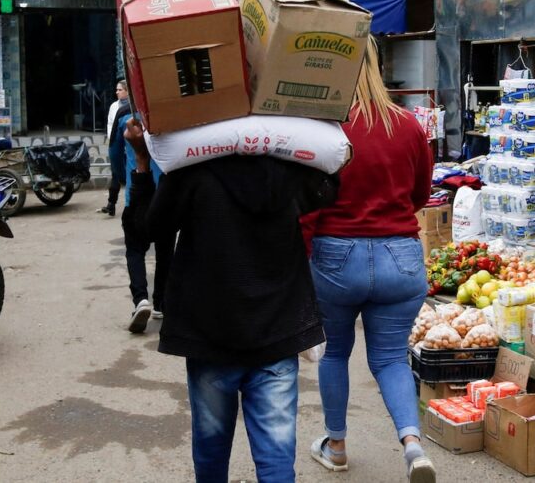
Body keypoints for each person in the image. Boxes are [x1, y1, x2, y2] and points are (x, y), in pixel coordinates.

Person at [144, 126, 339, 483]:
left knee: (211, 450)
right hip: (278, 332)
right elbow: (328, 186)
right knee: (277, 458)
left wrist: (143, 164)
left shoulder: (192, 168)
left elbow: (152, 225)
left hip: (209, 333)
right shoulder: (289, 164)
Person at [300, 45, 436, 483]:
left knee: (335, 352)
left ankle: (336, 446)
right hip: (401, 255)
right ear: (379, 68)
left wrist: (299, 261)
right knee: (393, 358)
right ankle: (413, 444)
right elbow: (420, 195)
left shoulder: (325, 127)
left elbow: (308, 207)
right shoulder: (408, 125)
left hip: (337, 256)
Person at [115, 105, 167, 332]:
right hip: (165, 195)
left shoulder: (126, 117)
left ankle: (140, 300)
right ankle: (161, 302)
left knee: (135, 250)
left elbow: (114, 153)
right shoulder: (168, 115)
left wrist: (121, 177)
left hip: (135, 194)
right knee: (166, 250)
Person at [102, 79, 129, 216]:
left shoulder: (133, 106)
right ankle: (111, 204)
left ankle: (130, 205)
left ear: (127, 91)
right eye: (117, 90)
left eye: (120, 90)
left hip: (130, 146)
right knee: (116, 174)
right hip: (116, 144)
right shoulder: (114, 106)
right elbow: (110, 124)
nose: (117, 92)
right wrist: (112, 140)